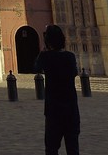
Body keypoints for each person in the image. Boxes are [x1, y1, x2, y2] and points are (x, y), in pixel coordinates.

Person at [34, 24, 81, 155]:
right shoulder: (70, 56)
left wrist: (44, 50)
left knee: (51, 148)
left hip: (53, 109)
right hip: (71, 108)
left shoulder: (45, 57)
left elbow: (36, 68)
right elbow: (74, 72)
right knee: (73, 149)